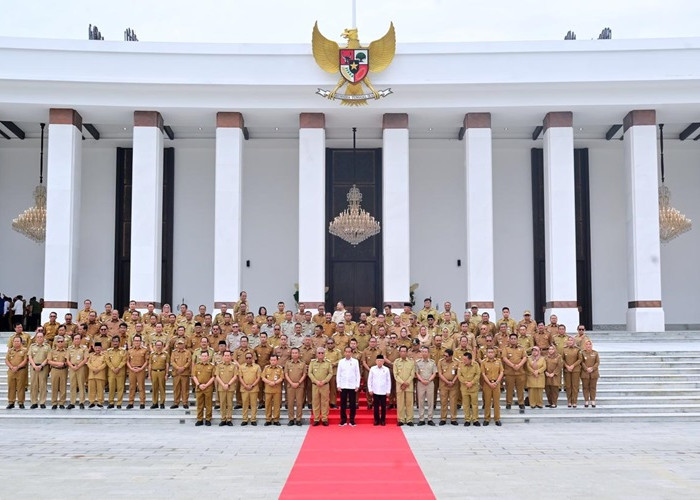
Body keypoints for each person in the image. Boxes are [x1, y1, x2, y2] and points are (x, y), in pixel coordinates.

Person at [502, 333, 527, 411]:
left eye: (514, 339)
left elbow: (525, 357)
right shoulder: (506, 349)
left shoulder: (521, 348)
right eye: (511, 339)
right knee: (509, 389)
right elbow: (504, 358)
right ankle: (509, 403)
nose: (513, 340)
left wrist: (519, 365)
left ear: (517, 340)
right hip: (510, 372)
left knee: (520, 389)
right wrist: (513, 365)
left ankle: (521, 403)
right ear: (509, 340)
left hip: (520, 372)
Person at [336, 346, 360, 426]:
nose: (348, 353)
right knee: (343, 404)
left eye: (349, 352)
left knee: (353, 404)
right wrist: (338, 385)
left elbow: (358, 374)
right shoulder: (341, 362)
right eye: (346, 352)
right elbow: (338, 374)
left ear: (351, 353)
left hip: (352, 385)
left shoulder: (355, 361)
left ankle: (352, 420)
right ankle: (343, 420)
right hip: (343, 385)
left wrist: (357, 385)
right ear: (344, 352)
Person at [308, 347, 333, 426]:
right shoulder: (312, 363)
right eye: (319, 353)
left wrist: (324, 381)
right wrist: (316, 381)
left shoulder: (328, 363)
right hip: (315, 385)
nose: (320, 354)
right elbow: (310, 373)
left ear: (324, 354)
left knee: (325, 402)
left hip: (324, 385)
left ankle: (324, 418)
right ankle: (316, 419)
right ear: (316, 354)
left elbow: (330, 373)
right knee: (315, 402)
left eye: (322, 353)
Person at [393, 345, 416, 426]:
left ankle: (409, 419)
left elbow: (412, 374)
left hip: (409, 386)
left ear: (407, 352)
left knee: (409, 403)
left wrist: (407, 383)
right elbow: (395, 375)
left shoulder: (411, 362)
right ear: (399, 352)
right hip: (400, 386)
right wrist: (402, 382)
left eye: (404, 351)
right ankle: (401, 419)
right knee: (400, 403)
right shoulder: (396, 362)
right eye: (401, 351)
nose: (403, 353)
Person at [481, 347, 504, 426]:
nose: (490, 353)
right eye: (489, 352)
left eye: (492, 352)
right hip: (487, 384)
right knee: (487, 402)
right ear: (486, 353)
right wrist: (489, 383)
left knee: (496, 402)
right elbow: (483, 374)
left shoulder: (498, 361)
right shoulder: (484, 362)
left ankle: (497, 419)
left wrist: (497, 382)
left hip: (496, 384)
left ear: (494, 353)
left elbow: (501, 372)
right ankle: (487, 418)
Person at [415, 346, 437, 426]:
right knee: (421, 401)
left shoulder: (432, 362)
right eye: (423, 352)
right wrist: (422, 380)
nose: (424, 353)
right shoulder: (417, 362)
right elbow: (417, 373)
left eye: (426, 352)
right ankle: (421, 419)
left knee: (430, 402)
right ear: (421, 353)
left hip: (430, 383)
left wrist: (428, 380)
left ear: (428, 353)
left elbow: (434, 373)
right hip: (421, 383)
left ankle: (430, 418)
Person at [437, 348, 460, 425]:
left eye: (446, 356)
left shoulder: (457, 362)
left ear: (451, 356)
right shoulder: (441, 362)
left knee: (453, 402)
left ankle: (453, 418)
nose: (445, 357)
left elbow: (458, 373)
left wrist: (453, 381)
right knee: (443, 402)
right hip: (444, 384)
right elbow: (440, 374)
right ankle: (443, 418)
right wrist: (447, 382)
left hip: (454, 385)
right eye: (444, 355)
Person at [28, 331, 51, 409]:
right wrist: (34, 366)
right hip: (34, 367)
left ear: (44, 338)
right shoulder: (32, 346)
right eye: (38, 337)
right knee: (34, 385)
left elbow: (48, 358)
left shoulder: (47, 346)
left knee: (43, 385)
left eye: (41, 337)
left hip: (43, 367)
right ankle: (34, 402)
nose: (39, 338)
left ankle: (42, 402)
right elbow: (30, 357)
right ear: (36, 338)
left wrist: (41, 365)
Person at [192, 350, 215, 426]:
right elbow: (194, 376)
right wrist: (199, 385)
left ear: (208, 357)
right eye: (203, 356)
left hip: (208, 388)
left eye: (206, 356)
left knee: (208, 404)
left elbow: (213, 377)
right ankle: (200, 419)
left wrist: (206, 385)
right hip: (199, 387)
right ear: (200, 357)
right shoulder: (196, 365)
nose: (204, 357)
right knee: (199, 404)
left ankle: (208, 419)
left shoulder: (211, 366)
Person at [285, 347, 307, 426]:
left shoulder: (302, 363)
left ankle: (298, 419)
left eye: (296, 353)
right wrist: (291, 383)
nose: (294, 354)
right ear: (291, 354)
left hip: (299, 386)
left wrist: (298, 382)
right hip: (290, 386)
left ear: (299, 354)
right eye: (293, 353)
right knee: (290, 403)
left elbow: (304, 374)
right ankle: (291, 419)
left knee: (299, 403)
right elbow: (286, 374)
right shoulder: (288, 363)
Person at [458, 352, 481, 426]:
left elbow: (478, 374)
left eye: (465, 359)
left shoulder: (476, 365)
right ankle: (467, 419)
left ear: (470, 359)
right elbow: (459, 375)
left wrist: (472, 382)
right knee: (466, 404)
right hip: (464, 388)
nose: (464, 361)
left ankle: (475, 419)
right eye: (463, 359)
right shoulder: (461, 364)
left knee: (474, 404)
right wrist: (465, 382)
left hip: (473, 388)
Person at [66, 333, 88, 410]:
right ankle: (72, 402)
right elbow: (67, 360)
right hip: (72, 368)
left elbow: (85, 359)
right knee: (72, 385)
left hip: (81, 367)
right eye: (75, 339)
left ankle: (81, 402)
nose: (77, 340)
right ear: (73, 340)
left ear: (81, 339)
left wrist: (78, 366)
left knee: (81, 384)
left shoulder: (84, 348)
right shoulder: (69, 348)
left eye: (78, 338)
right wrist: (72, 366)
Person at [215, 350, 237, 426]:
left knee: (230, 404)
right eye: (225, 355)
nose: (227, 357)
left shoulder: (234, 366)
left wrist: (228, 384)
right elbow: (217, 376)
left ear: (231, 357)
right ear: (223, 357)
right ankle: (223, 419)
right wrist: (223, 384)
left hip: (230, 387)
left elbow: (235, 376)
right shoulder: (219, 365)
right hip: (222, 387)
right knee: (222, 403)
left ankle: (229, 419)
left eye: (228, 355)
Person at [126, 334, 149, 409]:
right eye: (135, 340)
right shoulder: (129, 350)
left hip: (140, 370)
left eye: (138, 340)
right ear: (133, 341)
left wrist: (141, 368)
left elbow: (146, 361)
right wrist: (131, 368)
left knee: (141, 387)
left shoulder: (144, 350)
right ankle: (130, 402)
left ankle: (142, 402)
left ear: (141, 341)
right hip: (132, 369)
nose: (137, 342)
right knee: (132, 387)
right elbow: (127, 361)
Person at [239, 353, 262, 426]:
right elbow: (240, 377)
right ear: (245, 359)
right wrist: (245, 385)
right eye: (247, 358)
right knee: (245, 404)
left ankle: (253, 419)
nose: (248, 359)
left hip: (254, 388)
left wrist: (252, 385)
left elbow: (258, 377)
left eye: (250, 358)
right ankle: (245, 419)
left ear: (252, 358)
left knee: (253, 404)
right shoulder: (241, 367)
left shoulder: (257, 367)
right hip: (244, 388)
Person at [367, 354, 391, 426]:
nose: (380, 362)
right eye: (378, 361)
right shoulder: (372, 369)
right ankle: (376, 420)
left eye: (381, 361)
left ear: (383, 361)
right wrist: (370, 389)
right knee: (376, 407)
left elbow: (388, 381)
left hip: (383, 391)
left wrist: (388, 391)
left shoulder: (386, 369)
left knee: (383, 407)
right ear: (376, 361)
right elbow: (369, 380)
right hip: (375, 390)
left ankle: (383, 420)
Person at [5, 336, 28, 409]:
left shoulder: (24, 350)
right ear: (12, 342)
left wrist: (17, 367)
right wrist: (12, 367)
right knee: (11, 387)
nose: (16, 342)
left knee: (20, 387)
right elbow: (6, 360)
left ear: (21, 342)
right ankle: (11, 402)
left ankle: (21, 402)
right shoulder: (10, 350)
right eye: (15, 341)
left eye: (18, 341)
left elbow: (25, 360)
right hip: (11, 371)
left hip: (21, 370)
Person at [262, 354, 284, 426]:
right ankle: (268, 419)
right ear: (269, 361)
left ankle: (276, 419)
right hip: (268, 390)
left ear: (277, 360)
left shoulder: (280, 368)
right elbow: (263, 377)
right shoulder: (266, 368)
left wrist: (274, 383)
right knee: (267, 405)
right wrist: (269, 382)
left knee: (276, 405)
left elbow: (281, 378)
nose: (273, 362)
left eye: (274, 360)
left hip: (277, 390)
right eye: (271, 360)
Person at [105, 335, 126, 409]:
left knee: (120, 388)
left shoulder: (123, 351)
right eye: (113, 341)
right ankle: (111, 402)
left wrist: (118, 367)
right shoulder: (108, 351)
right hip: (111, 372)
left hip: (120, 371)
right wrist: (112, 368)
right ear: (111, 342)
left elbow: (124, 360)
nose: (115, 343)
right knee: (111, 387)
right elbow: (107, 360)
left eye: (116, 341)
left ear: (119, 342)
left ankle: (119, 403)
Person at [48, 336, 68, 409]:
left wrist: (64, 364)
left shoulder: (66, 351)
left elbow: (68, 361)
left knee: (63, 386)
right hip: (54, 370)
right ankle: (54, 402)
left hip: (63, 370)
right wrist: (58, 364)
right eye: (58, 341)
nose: (60, 343)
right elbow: (49, 360)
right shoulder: (52, 351)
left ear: (64, 342)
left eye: (61, 341)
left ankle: (62, 402)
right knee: (54, 386)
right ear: (56, 343)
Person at [170, 338, 191, 409]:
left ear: (184, 344)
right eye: (179, 344)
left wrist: (183, 368)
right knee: (176, 388)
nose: (180, 345)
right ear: (176, 345)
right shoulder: (174, 352)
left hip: (185, 373)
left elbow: (189, 361)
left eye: (181, 343)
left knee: (185, 388)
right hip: (176, 373)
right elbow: (172, 361)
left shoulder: (187, 352)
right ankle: (176, 402)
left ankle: (185, 402)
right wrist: (178, 368)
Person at [562, 336, 583, 408]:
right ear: (567, 342)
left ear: (574, 342)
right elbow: (562, 359)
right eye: (569, 340)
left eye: (571, 340)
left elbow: (580, 359)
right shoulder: (564, 349)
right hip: (567, 370)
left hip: (575, 370)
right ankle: (569, 401)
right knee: (568, 386)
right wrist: (567, 366)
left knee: (575, 386)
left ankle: (574, 401)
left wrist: (573, 366)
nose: (570, 342)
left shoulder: (577, 350)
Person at [148, 340, 170, 409]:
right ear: (155, 346)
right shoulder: (152, 354)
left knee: (162, 388)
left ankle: (162, 403)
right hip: (154, 372)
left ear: (163, 346)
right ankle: (155, 403)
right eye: (157, 345)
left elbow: (167, 364)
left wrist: (167, 374)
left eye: (160, 345)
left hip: (162, 372)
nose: (158, 346)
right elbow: (150, 364)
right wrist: (149, 374)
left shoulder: (165, 354)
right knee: (154, 388)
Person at [86, 342, 107, 407]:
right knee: (91, 389)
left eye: (99, 348)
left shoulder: (104, 355)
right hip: (92, 375)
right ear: (94, 348)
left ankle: (100, 402)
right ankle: (91, 402)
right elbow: (88, 363)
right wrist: (93, 369)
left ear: (101, 348)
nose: (97, 349)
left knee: (100, 389)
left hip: (100, 375)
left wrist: (98, 369)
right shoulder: (91, 355)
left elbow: (105, 363)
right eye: (96, 348)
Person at [581, 340, 600, 408]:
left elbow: (597, 362)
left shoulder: (595, 353)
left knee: (593, 387)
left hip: (593, 373)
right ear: (585, 345)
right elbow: (582, 362)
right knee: (585, 387)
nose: (588, 346)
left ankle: (593, 400)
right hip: (585, 373)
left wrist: (592, 368)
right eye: (587, 344)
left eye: (589, 344)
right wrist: (586, 368)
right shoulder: (582, 353)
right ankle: (586, 400)